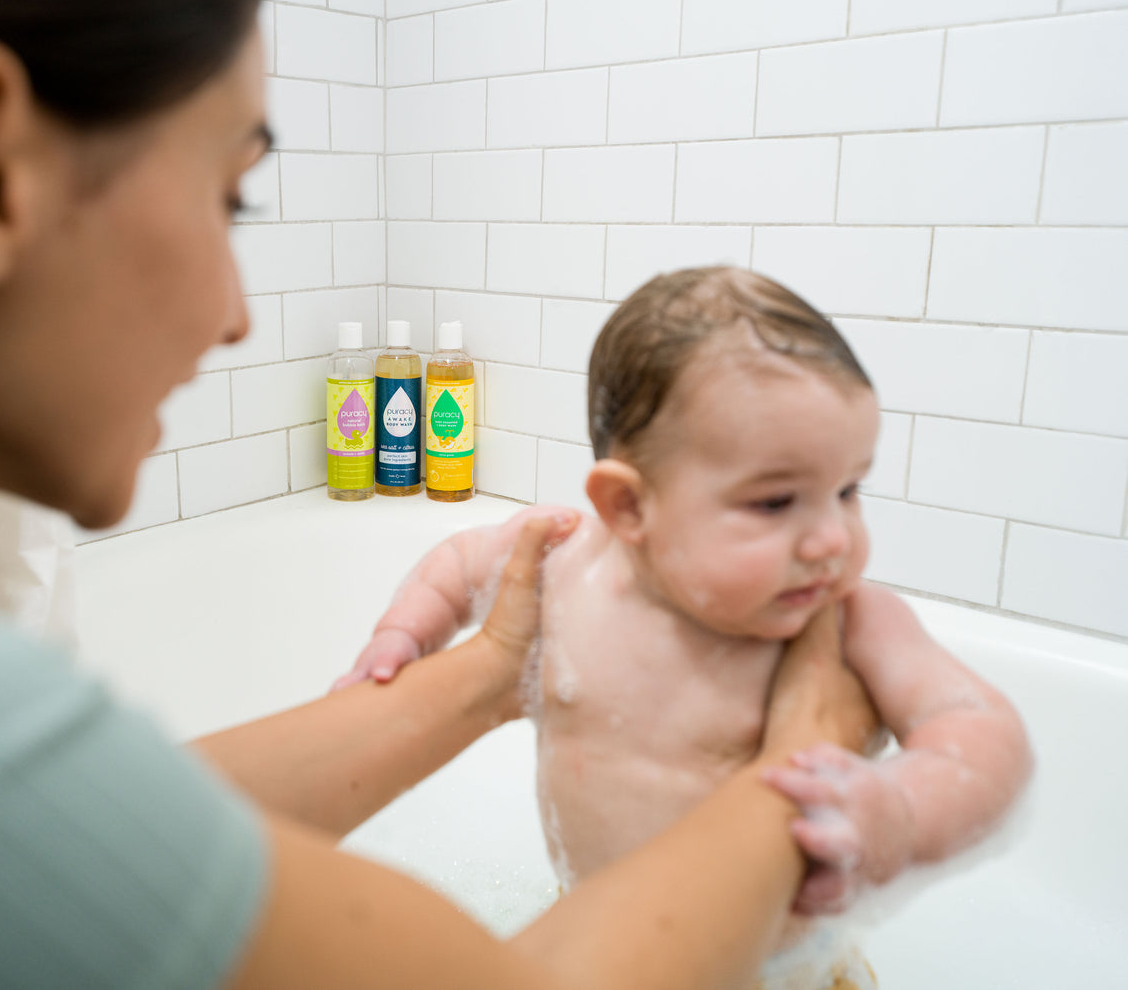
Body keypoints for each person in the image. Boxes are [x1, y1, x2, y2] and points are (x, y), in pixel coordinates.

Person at [0, 0, 878, 987]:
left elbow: (93, 839)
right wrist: (801, 768)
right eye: (232, 194)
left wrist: (493, 670)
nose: (235, 316)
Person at [338, 268, 1034, 989]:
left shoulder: (848, 621)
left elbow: (982, 731)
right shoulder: (563, 565)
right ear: (629, 508)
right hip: (595, 935)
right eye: (775, 501)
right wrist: (407, 633)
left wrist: (902, 809)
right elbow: (455, 563)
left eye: (848, 490)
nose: (833, 537)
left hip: (777, 971)